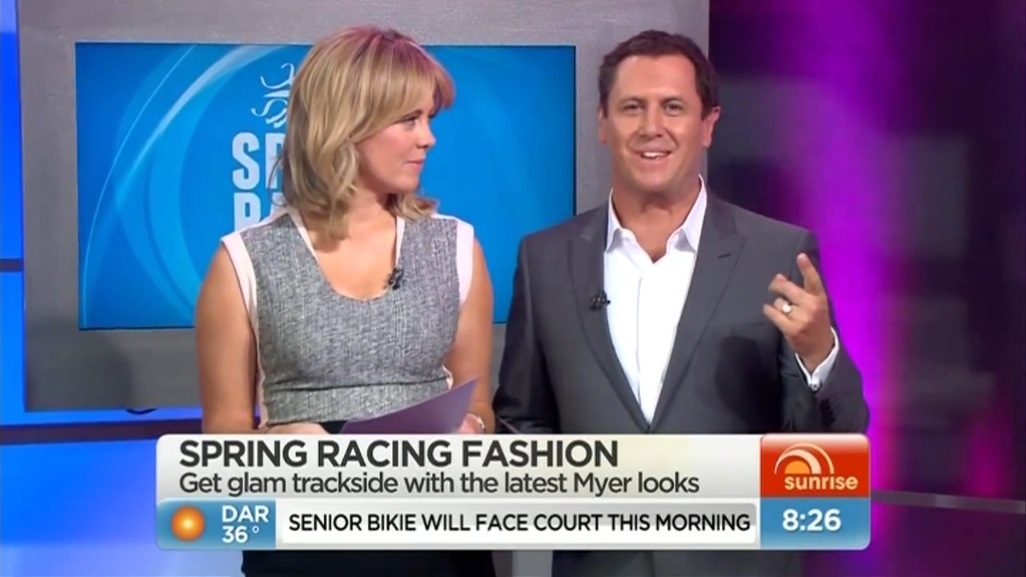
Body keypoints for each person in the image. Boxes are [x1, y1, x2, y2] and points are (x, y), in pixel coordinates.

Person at [492, 29, 869, 577]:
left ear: (707, 124)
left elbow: (836, 448)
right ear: (602, 122)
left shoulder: (778, 254)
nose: (652, 127)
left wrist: (820, 355)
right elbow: (522, 422)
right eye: (632, 108)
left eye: (673, 107)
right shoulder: (544, 259)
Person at [195, 25, 497, 577]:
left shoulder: (456, 247)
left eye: (429, 119)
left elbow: (479, 406)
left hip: (438, 545)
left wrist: (470, 430)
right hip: (303, 550)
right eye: (408, 120)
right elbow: (223, 443)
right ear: (346, 125)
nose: (428, 138)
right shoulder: (243, 261)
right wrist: (274, 449)